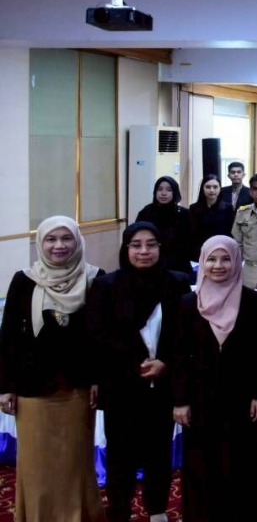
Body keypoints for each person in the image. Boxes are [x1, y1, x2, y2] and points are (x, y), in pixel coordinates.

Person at [0, 216, 106, 522]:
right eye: (51, 239)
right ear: (40, 242)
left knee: (75, 462)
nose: (59, 245)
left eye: (66, 238)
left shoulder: (95, 278)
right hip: (33, 390)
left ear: (77, 241)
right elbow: (8, 338)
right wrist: (5, 387)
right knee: (37, 463)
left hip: (77, 389)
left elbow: (102, 337)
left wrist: (99, 380)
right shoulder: (25, 280)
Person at [87, 222, 191, 522]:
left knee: (159, 453)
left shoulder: (177, 283)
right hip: (121, 386)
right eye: (136, 245)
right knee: (121, 458)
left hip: (163, 386)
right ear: (126, 248)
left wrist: (165, 363)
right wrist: (136, 364)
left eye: (151, 244)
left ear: (161, 247)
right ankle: (120, 511)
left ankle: (158, 510)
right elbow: (97, 335)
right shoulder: (107, 286)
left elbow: (185, 333)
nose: (144, 251)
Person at [172, 236, 257, 522]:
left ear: (237, 261)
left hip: (241, 398)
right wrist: (180, 400)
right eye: (212, 259)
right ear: (202, 262)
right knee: (203, 463)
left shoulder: (252, 301)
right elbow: (179, 355)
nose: (218, 265)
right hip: (201, 399)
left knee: (243, 463)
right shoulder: (188, 303)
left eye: (226, 259)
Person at [136, 175, 194, 276]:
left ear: (174, 192)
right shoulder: (146, 212)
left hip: (178, 265)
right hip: (151, 262)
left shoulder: (184, 214)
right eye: (160, 189)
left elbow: (190, 241)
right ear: (155, 192)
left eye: (168, 190)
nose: (163, 193)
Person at [189, 173, 235, 261]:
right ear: (202, 188)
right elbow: (192, 234)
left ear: (220, 188)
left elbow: (230, 232)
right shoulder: (194, 208)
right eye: (208, 187)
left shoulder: (227, 208)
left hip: (221, 251)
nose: (212, 190)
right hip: (200, 252)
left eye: (215, 187)